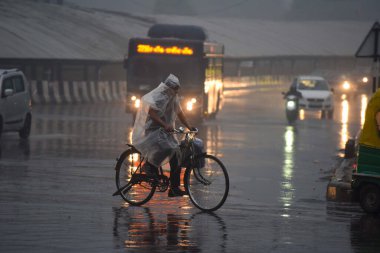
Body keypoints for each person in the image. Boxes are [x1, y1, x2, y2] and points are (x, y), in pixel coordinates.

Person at [132, 74, 196, 197]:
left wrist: (190, 127)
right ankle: (149, 166)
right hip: (153, 130)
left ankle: (174, 187)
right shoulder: (160, 96)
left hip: (165, 131)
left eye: (178, 88)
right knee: (170, 149)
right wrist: (164, 124)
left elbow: (180, 113)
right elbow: (151, 112)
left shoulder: (173, 97)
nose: (177, 91)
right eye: (175, 88)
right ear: (169, 88)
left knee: (176, 154)